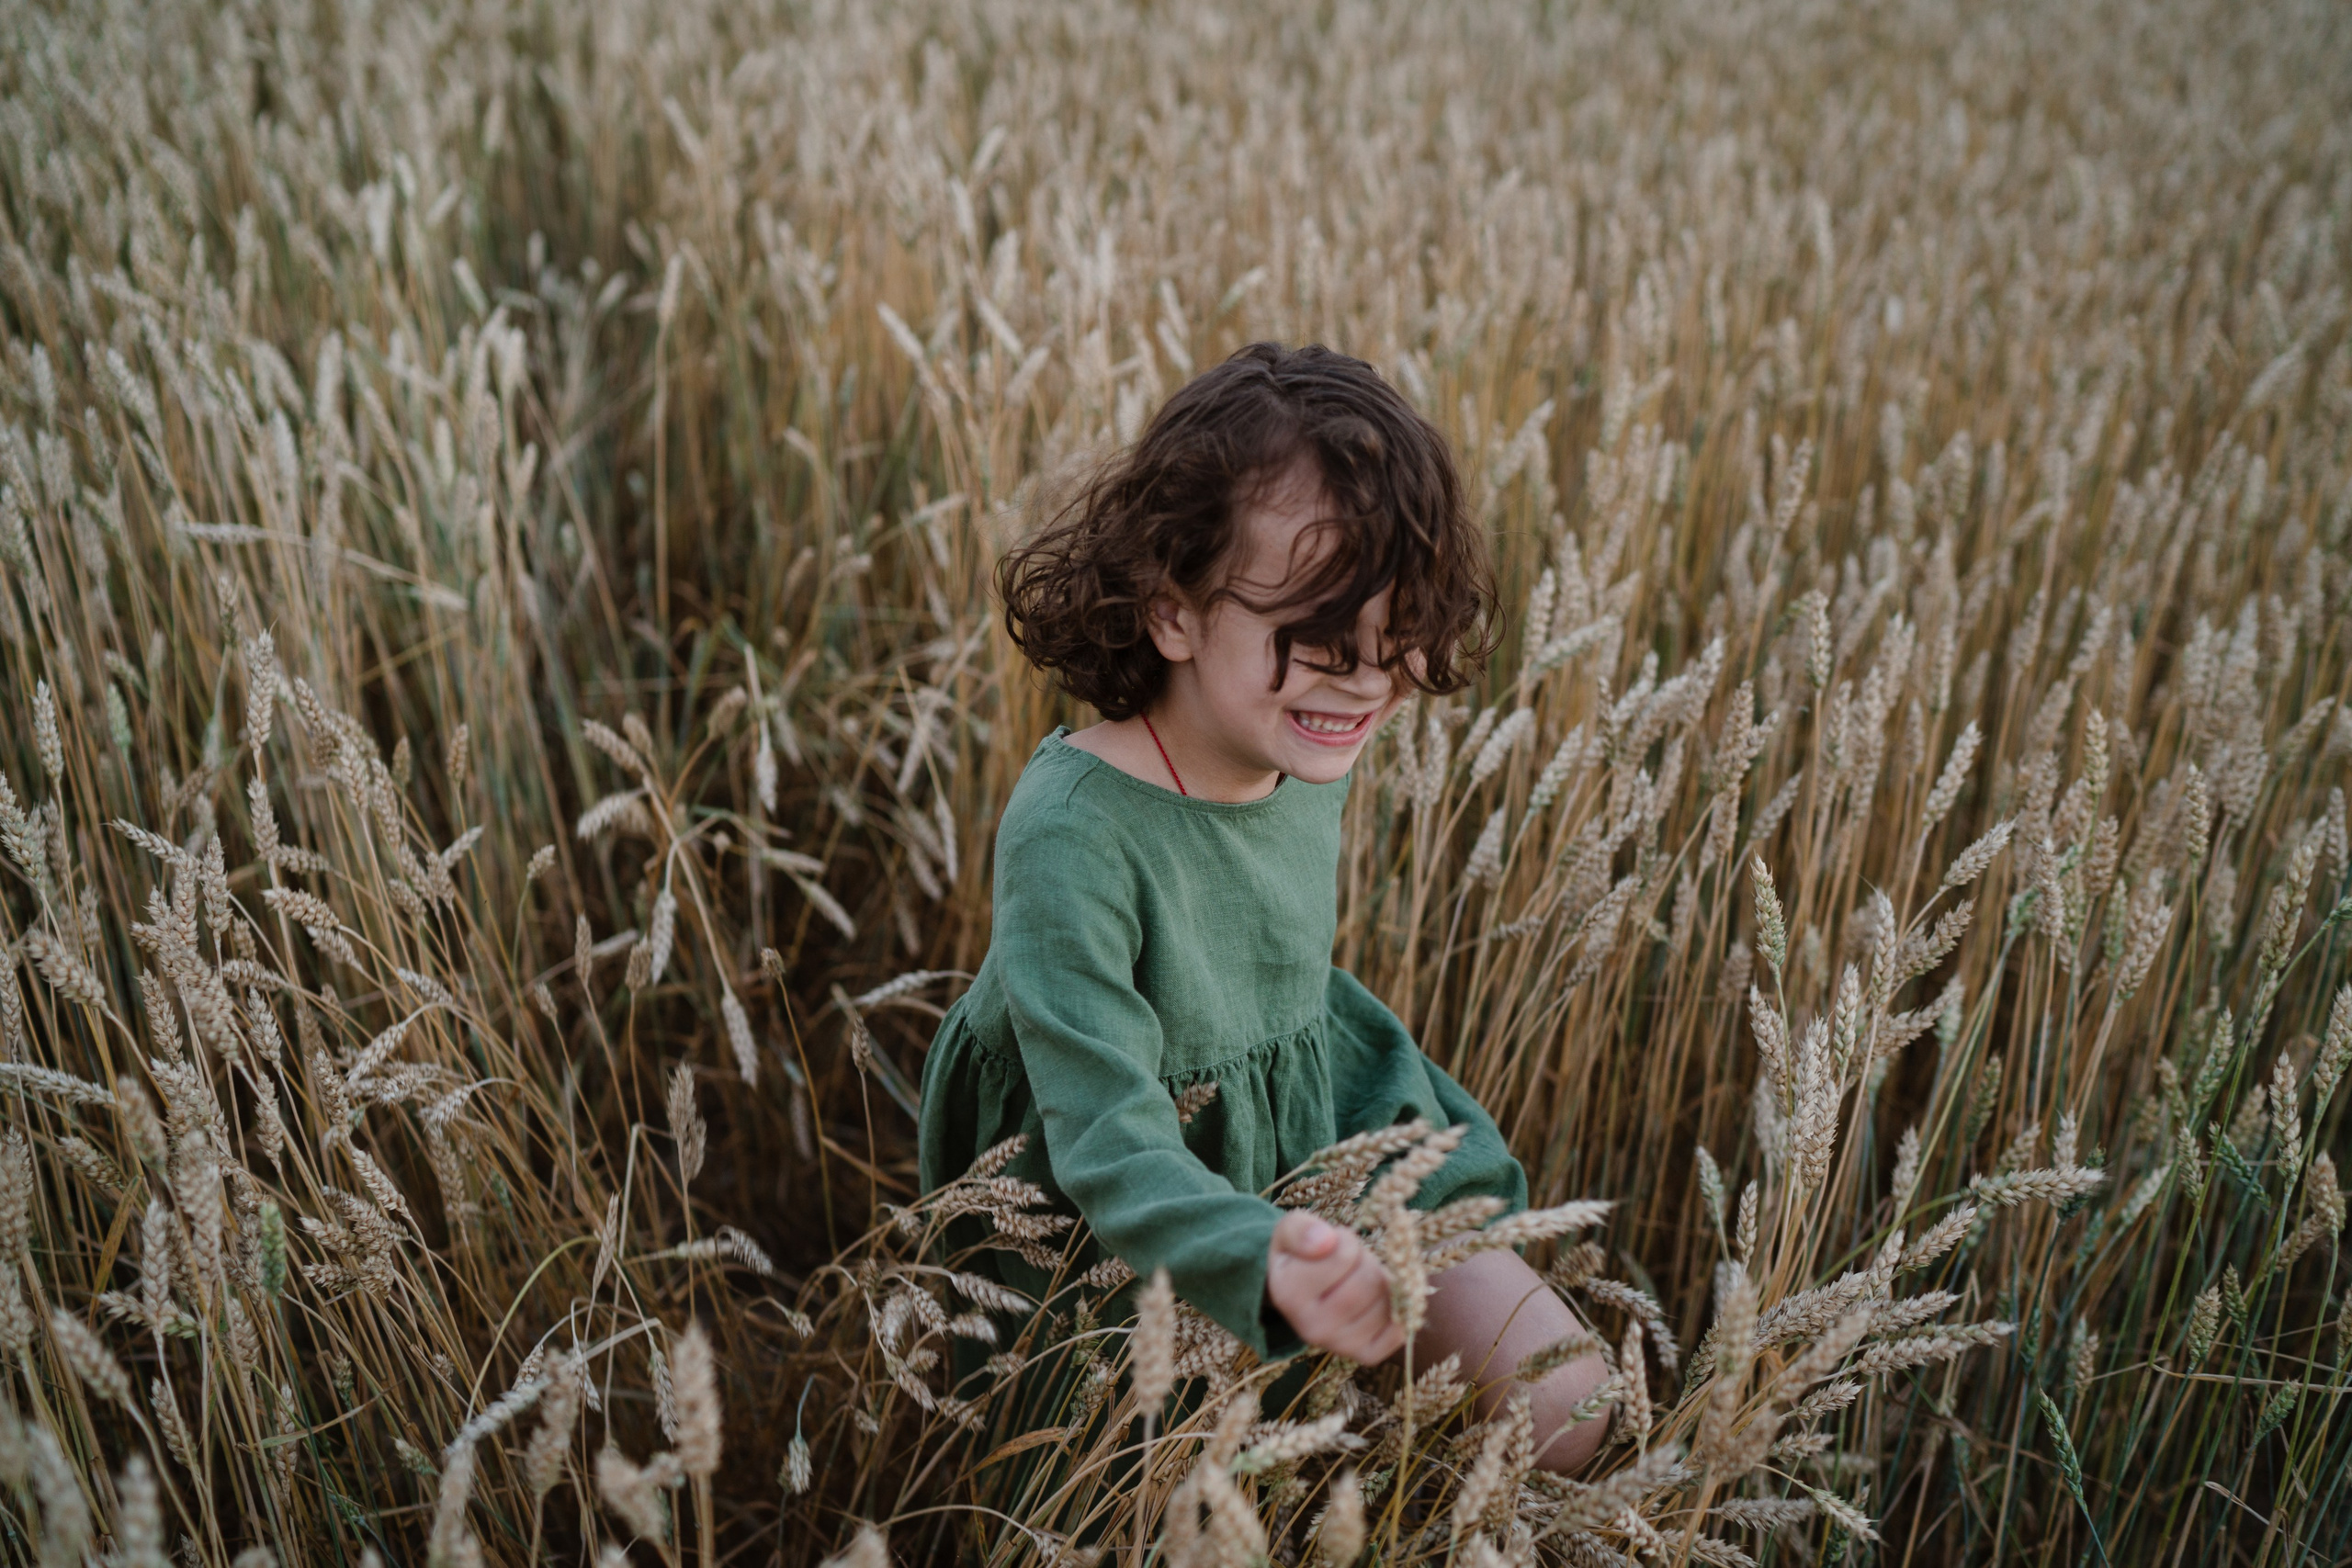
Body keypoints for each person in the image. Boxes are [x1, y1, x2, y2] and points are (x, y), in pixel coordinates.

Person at [917, 341, 1611, 1470]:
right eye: (1323, 643)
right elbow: (1102, 1136)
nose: (1365, 685)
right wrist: (1261, 1253)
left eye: (1393, 643)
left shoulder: (1292, 742)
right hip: (1109, 1214)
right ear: (1172, 609)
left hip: (1314, 1117)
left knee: (1568, 1406)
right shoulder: (1070, 834)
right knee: (1155, 1508)